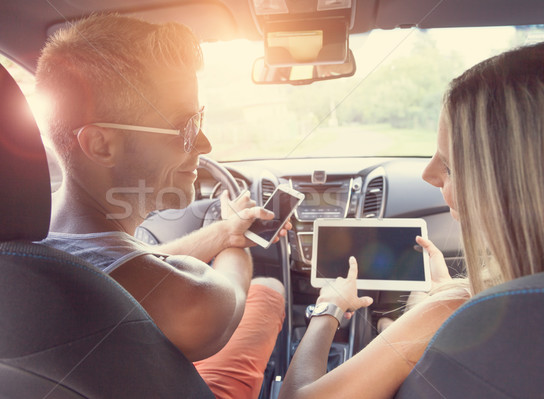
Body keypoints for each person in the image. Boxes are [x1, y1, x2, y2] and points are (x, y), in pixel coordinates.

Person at [35, 14, 287, 399]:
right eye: (185, 127)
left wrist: (222, 230)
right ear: (101, 145)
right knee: (267, 288)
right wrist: (238, 238)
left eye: (199, 118)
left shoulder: (29, 237)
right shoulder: (189, 305)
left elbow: (131, 263)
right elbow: (232, 297)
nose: (204, 144)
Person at [278, 41, 544, 399]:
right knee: (392, 323)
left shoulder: (457, 310)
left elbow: (296, 396)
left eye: (449, 166)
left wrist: (330, 307)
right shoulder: (478, 311)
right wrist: (428, 306)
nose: (427, 174)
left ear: (508, 186)